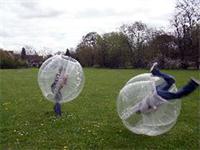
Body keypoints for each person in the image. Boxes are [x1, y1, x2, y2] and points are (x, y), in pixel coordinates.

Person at [135, 62, 200, 114]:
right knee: (171, 81)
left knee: (177, 95)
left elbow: (152, 105)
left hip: (158, 96)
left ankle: (192, 84)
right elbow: (149, 102)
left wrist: (154, 108)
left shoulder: (143, 109)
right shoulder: (141, 105)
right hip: (157, 91)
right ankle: (155, 71)